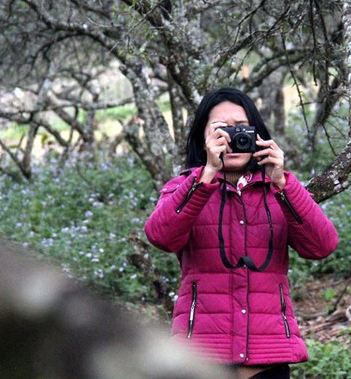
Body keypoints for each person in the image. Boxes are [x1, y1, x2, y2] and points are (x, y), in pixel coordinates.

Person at [144, 87, 338, 379]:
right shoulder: (183, 188)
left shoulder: (279, 189)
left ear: (257, 134)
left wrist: (283, 183)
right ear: (203, 137)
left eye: (240, 129)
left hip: (267, 356)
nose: (232, 139)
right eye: (221, 129)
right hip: (201, 356)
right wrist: (205, 176)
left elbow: (322, 246)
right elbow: (160, 236)